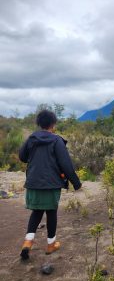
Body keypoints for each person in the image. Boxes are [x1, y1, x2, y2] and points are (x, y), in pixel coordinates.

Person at [19, 109, 82, 260]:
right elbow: (65, 164)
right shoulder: (56, 140)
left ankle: (28, 242)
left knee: (36, 211)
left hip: (33, 182)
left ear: (39, 123)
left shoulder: (31, 139)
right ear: (53, 124)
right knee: (51, 212)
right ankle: (51, 244)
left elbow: (22, 157)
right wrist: (76, 182)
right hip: (51, 183)